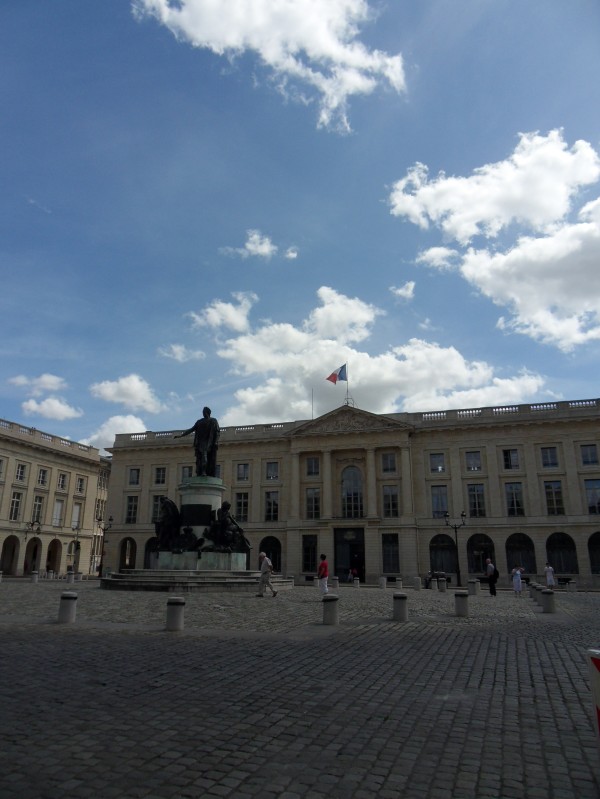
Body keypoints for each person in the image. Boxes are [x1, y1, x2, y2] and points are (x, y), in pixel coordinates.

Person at [175, 407, 220, 477]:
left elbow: (217, 432)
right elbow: (191, 429)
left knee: (205, 456)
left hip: (209, 442)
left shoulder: (213, 421)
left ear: (207, 412)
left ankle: (204, 472)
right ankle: (202, 471)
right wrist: (181, 435)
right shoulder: (199, 422)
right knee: (200, 458)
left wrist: (216, 441)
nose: (203, 413)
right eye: (203, 412)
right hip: (200, 443)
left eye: (204, 412)